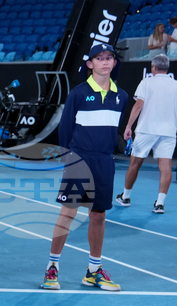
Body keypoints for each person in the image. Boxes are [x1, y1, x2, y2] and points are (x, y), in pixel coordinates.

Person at [43, 44, 127, 291]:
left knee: (98, 216)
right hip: (79, 160)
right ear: (90, 64)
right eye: (99, 58)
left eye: (109, 57)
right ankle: (52, 267)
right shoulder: (78, 93)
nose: (105, 62)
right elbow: (66, 128)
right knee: (67, 214)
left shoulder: (121, 95)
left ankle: (93, 271)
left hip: (104, 161)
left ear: (114, 63)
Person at [116, 54, 176, 213]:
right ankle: (160, 203)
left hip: (146, 130)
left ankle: (126, 197)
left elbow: (138, 106)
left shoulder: (146, 82)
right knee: (166, 166)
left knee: (135, 163)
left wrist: (128, 126)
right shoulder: (176, 85)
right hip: (168, 132)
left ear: (154, 67)